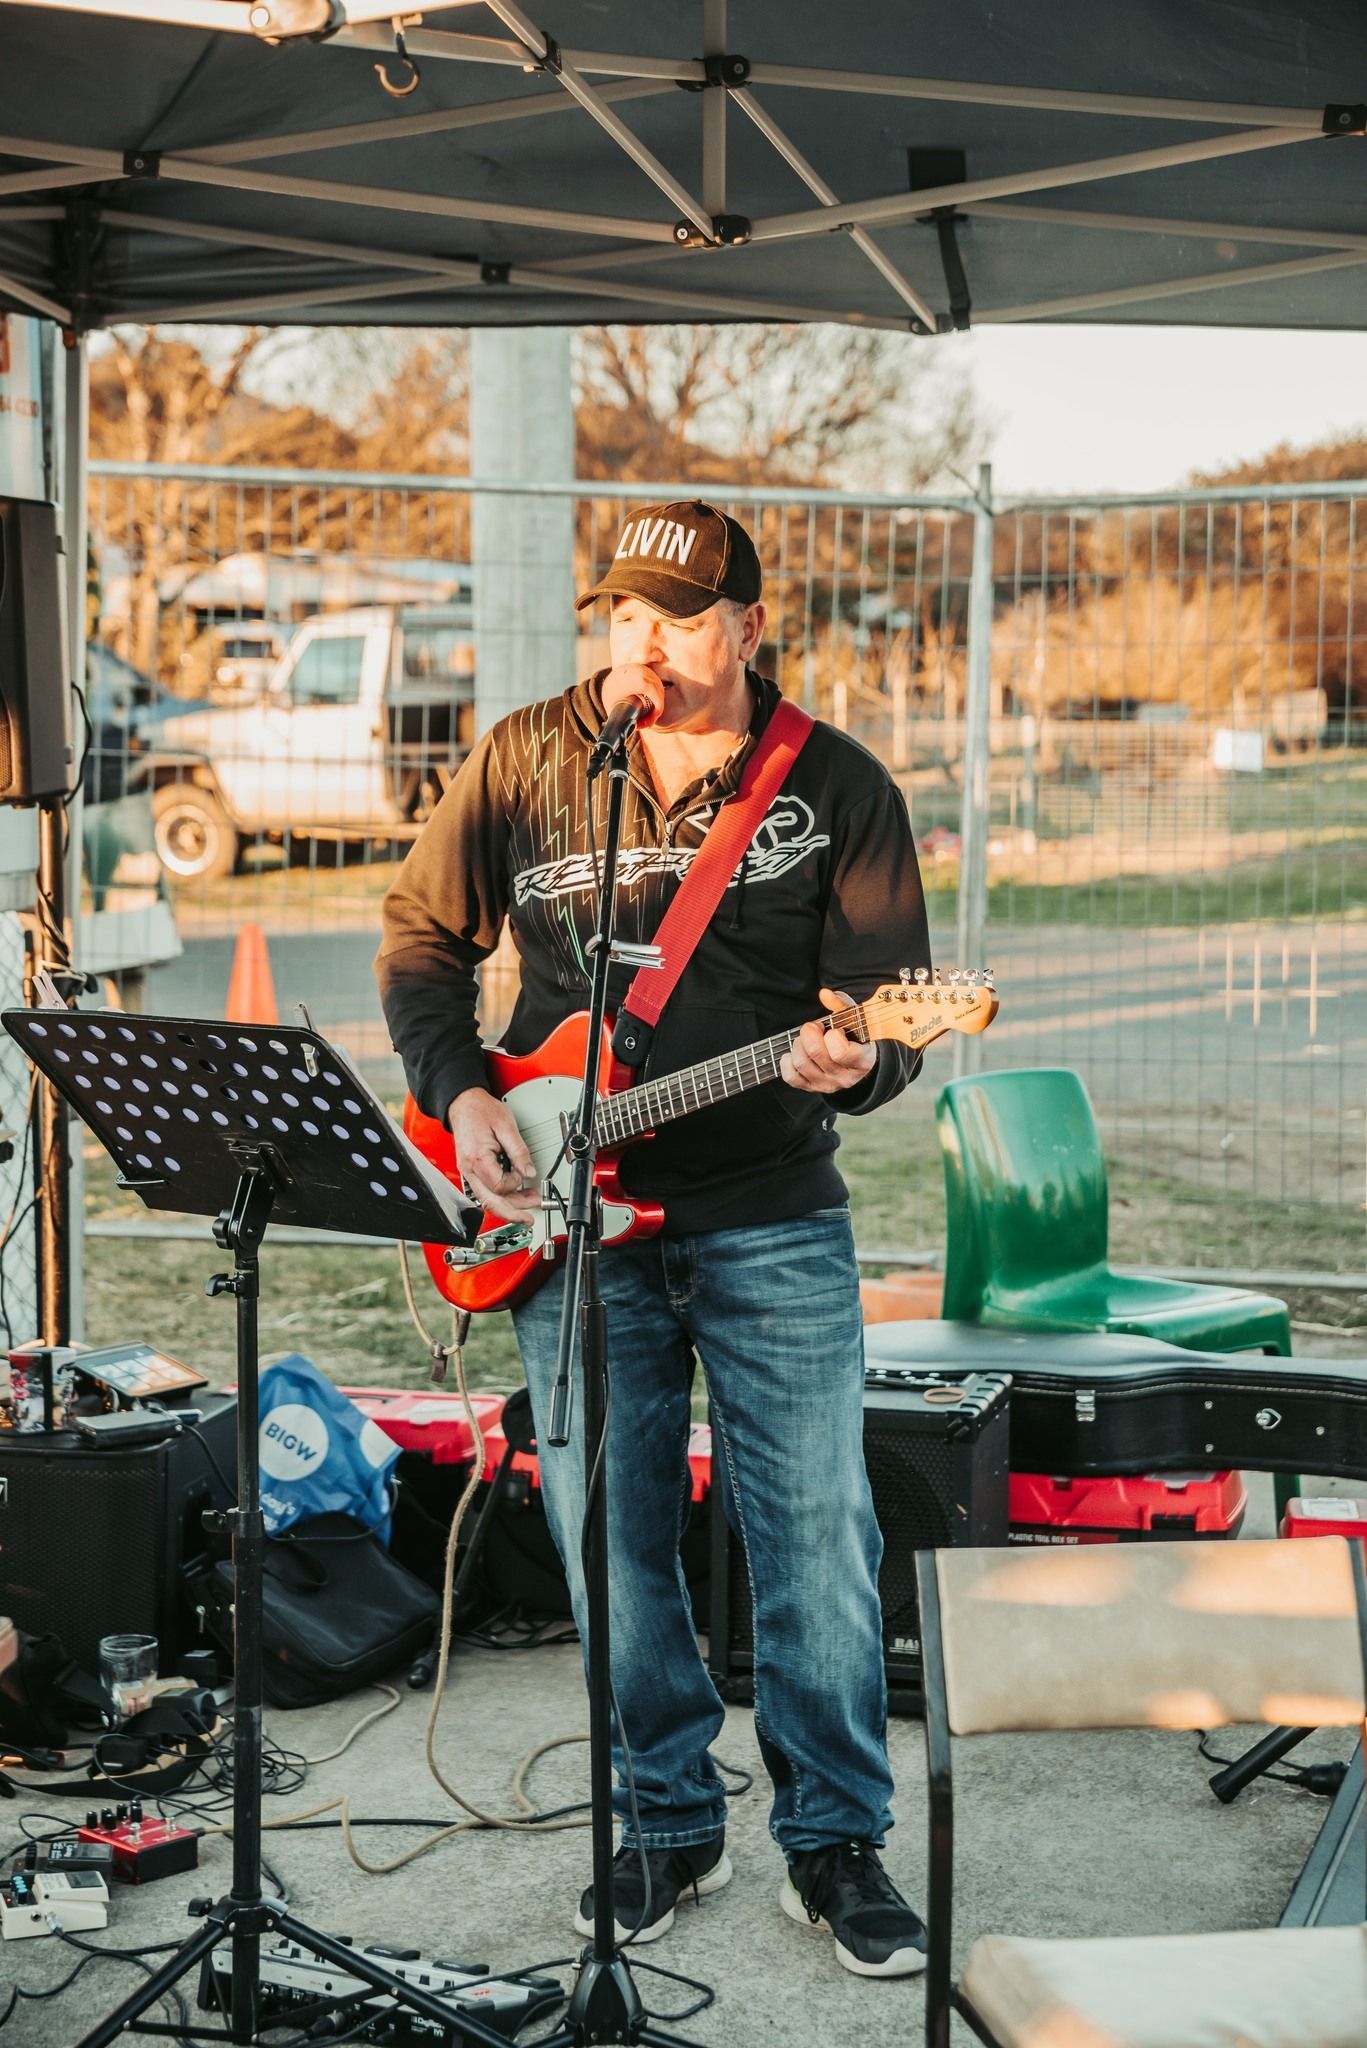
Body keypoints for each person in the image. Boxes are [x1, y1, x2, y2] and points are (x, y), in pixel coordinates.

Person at [376, 499, 933, 1979]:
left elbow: (889, 1022)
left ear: (750, 625)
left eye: (682, 619)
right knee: (606, 1535)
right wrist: (467, 1092)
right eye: (624, 614)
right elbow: (419, 940)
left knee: (815, 1530)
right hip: (562, 1220)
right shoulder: (528, 758)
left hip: (768, 1215)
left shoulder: (836, 789)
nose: (649, 645)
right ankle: (668, 1819)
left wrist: (858, 1062)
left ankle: (835, 1843)